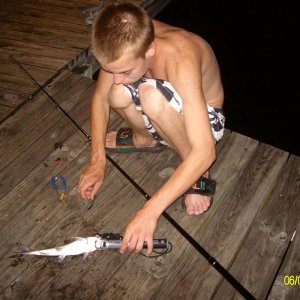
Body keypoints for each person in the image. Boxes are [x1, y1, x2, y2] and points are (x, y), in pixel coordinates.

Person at [78, 1, 225, 256]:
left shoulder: (181, 57)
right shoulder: (123, 42)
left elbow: (206, 150)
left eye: (124, 70)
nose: (116, 77)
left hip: (204, 123)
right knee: (116, 93)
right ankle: (145, 139)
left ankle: (199, 174)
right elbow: (100, 99)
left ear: (150, 49)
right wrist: (97, 161)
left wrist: (149, 212)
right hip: (162, 97)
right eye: (111, 70)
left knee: (150, 95)